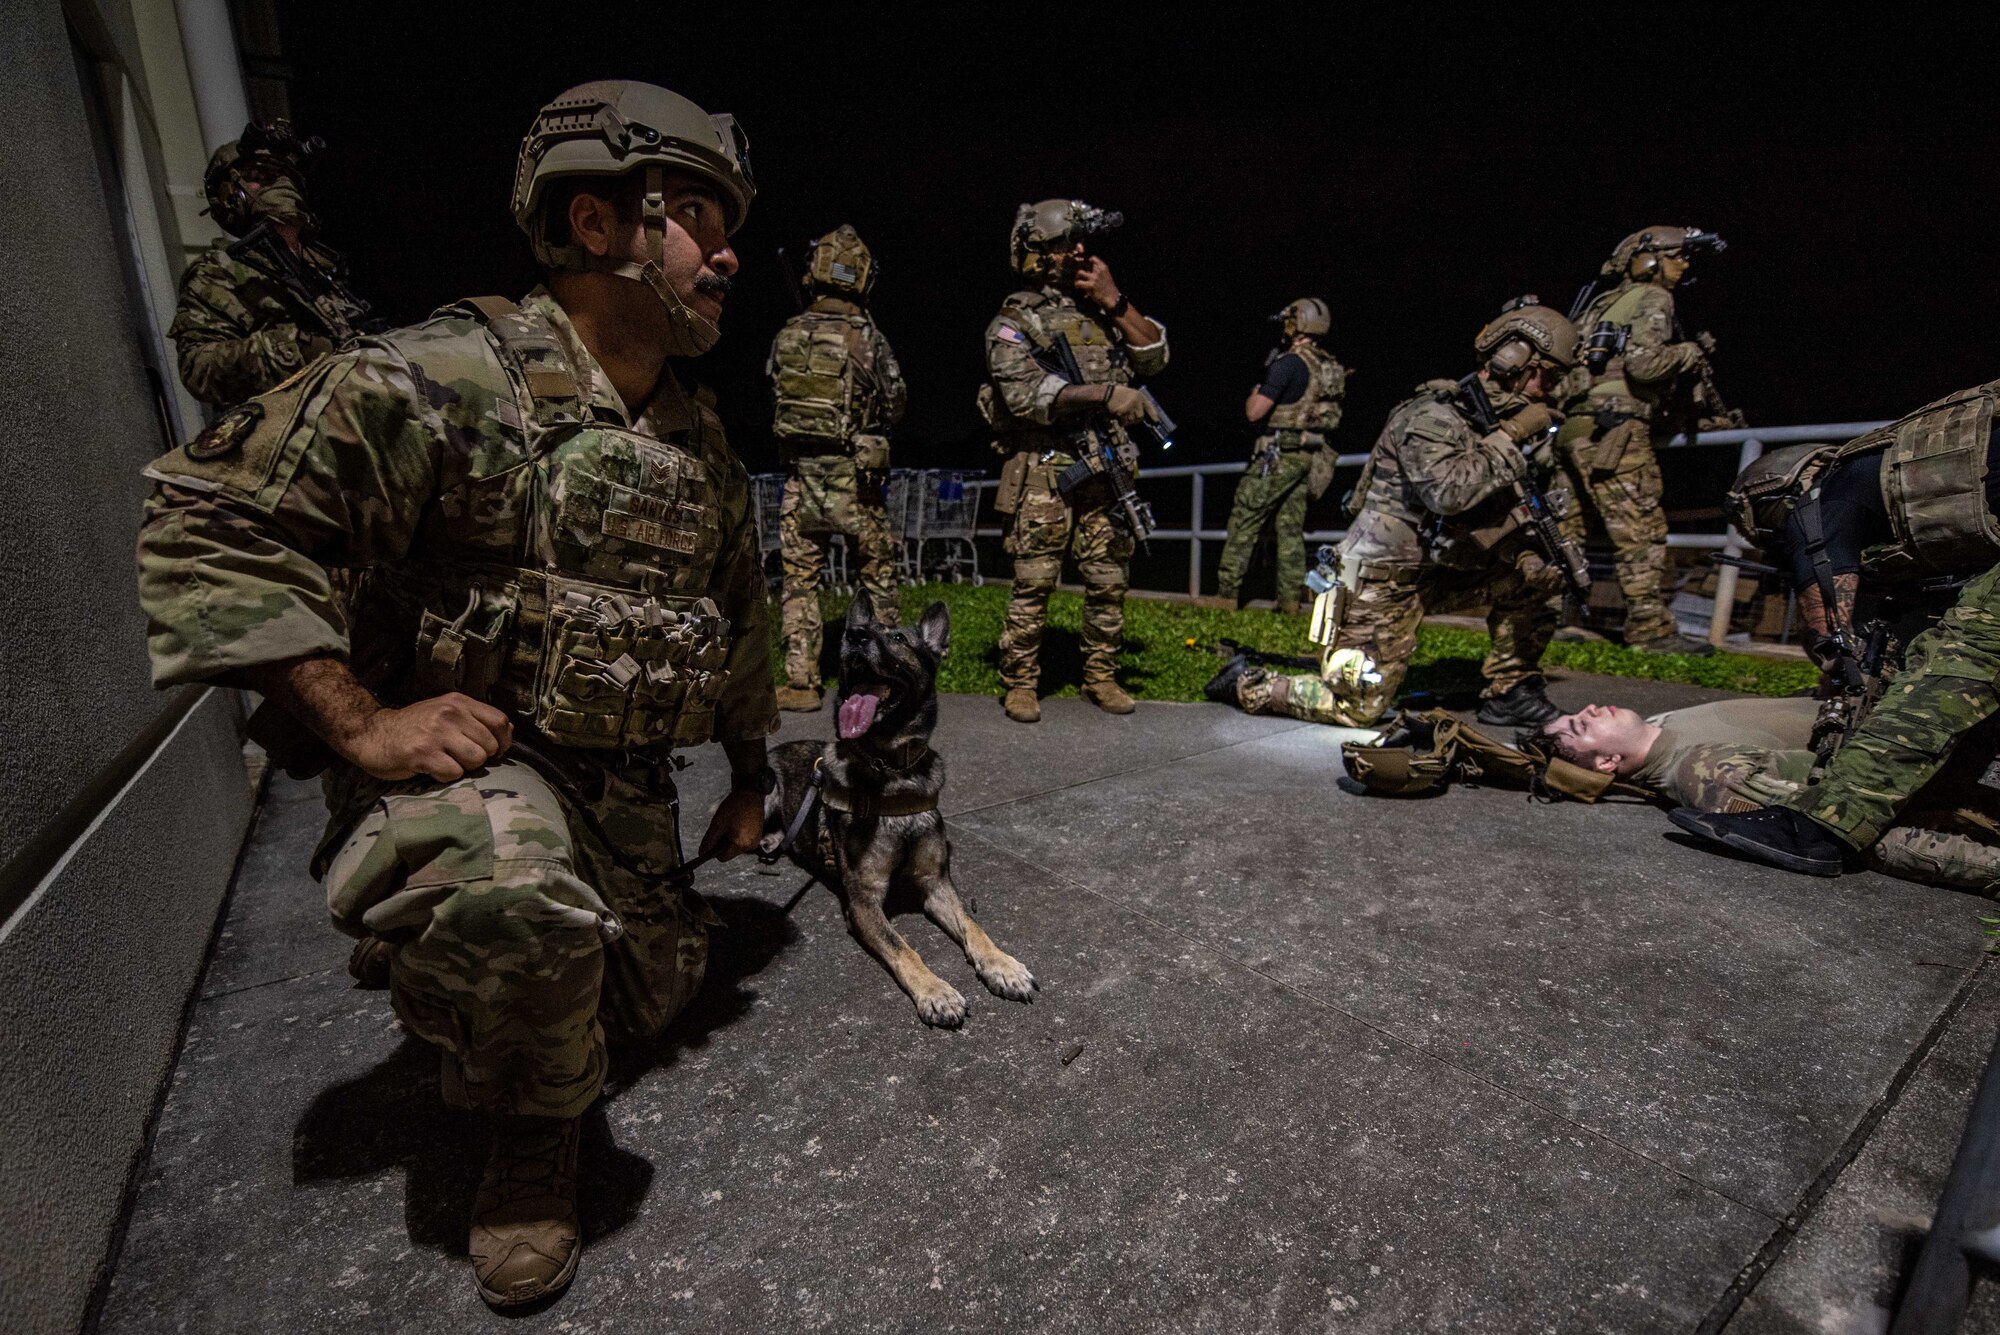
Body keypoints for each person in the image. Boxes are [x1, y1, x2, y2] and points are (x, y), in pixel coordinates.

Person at [135, 81, 775, 1308]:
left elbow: (739, 621)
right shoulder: (440, 377)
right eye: (695, 212)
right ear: (597, 222)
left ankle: (486, 965)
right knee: (511, 906)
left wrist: (749, 778)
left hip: (619, 790)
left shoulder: (695, 440)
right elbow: (207, 515)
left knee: (648, 995)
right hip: (474, 772)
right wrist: (361, 722)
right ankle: (530, 1142)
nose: (728, 248)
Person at [1668, 378, 2000, 876]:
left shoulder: (1819, 505)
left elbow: (1836, 640)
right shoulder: (1889, 477)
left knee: (1964, 653)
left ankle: (1824, 826)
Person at [1212, 299, 1579, 728]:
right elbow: (1447, 492)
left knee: (1540, 573)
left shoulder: (1492, 422)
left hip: (1440, 569)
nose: (1549, 390)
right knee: (1357, 708)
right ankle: (1249, 683)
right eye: (1549, 376)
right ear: (1514, 359)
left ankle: (1511, 690)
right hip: (1382, 582)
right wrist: (1512, 435)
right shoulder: (1432, 415)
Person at [981, 198, 1168, 723]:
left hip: (1106, 465)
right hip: (1045, 468)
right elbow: (1024, 395)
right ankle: (1021, 682)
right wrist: (1105, 394)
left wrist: (1115, 300)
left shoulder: (1104, 312)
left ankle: (1100, 676)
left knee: (1108, 578)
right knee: (1035, 580)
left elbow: (1155, 356)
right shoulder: (1016, 318)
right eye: (1068, 243)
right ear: (1040, 252)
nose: (1080, 251)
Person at [1541, 699, 2000, 893]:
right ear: (1607, 763)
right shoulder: (1702, 772)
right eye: (1581, 725)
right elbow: (1835, 825)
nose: (1590, 708)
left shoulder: (1662, 724)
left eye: (1578, 711)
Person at [1557, 225, 1729, 655]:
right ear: (1650, 260)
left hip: (1573, 430)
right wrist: (1689, 352)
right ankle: (1650, 630)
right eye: (1677, 256)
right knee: (1641, 532)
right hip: (1616, 431)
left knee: (1567, 532)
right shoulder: (1654, 298)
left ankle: (1548, 619)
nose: (1684, 265)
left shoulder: (1599, 304)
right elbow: (1645, 366)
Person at [767, 224, 907, 711]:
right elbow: (895, 403)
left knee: (800, 582)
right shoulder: (869, 338)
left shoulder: (789, 332)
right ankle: (883, 680)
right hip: (858, 482)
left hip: (804, 478)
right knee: (877, 580)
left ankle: (802, 682)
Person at [169, 119, 375, 407]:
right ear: (229, 195)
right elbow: (198, 368)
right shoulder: (221, 270)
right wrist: (297, 347)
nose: (279, 182)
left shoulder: (325, 270)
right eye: (259, 174)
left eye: (285, 174)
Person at [1213, 298, 1347, 614]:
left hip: (1279, 455)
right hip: (1309, 457)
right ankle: (1289, 601)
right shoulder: (1326, 366)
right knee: (1290, 530)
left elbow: (1254, 412)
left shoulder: (1288, 364)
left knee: (1244, 519)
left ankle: (1225, 596)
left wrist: (1256, 390)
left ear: (1296, 323)